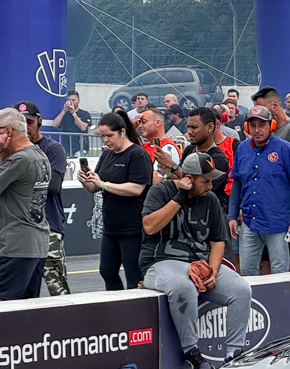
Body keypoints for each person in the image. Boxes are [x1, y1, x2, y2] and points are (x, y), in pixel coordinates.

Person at [141, 153, 251, 369]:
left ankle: (234, 352)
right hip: (161, 261)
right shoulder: (161, 191)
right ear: (189, 178)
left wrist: (213, 271)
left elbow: (218, 240)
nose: (210, 185)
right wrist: (180, 196)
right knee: (184, 286)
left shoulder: (210, 199)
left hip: (200, 262)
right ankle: (190, 350)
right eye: (205, 180)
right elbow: (149, 226)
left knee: (241, 289)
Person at [0, 108, 51, 302]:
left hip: (16, 244)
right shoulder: (39, 155)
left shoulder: (20, 159)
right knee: (23, 305)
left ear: (7, 131)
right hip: (36, 242)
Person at [228, 106, 290, 275]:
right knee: (247, 272)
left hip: (278, 222)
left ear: (271, 125)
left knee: (280, 273)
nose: (257, 130)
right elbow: (237, 183)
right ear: (247, 127)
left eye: (262, 125)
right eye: (253, 125)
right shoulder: (242, 148)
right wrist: (232, 216)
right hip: (249, 221)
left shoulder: (285, 148)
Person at [78, 110, 151, 290]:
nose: (106, 140)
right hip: (111, 226)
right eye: (103, 136)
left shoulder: (137, 154)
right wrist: (86, 181)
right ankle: (117, 302)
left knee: (134, 275)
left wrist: (104, 184)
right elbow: (94, 188)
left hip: (132, 226)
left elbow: (137, 188)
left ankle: (136, 305)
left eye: (109, 135)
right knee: (107, 271)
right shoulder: (107, 155)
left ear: (122, 132)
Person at [16, 101, 69, 295]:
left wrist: (21, 182)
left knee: (57, 289)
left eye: (29, 122)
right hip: (22, 228)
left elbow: (53, 186)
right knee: (24, 290)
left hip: (49, 226)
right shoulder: (12, 151)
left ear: (39, 121)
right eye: (19, 123)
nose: (25, 127)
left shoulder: (53, 149)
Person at [167, 107, 231, 214]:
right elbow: (180, 178)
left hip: (210, 213)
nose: (189, 132)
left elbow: (197, 188)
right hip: (188, 212)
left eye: (194, 127)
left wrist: (172, 165)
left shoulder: (218, 158)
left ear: (210, 127)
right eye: (188, 127)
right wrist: (166, 170)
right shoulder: (189, 149)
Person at [135, 108, 181, 184]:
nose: (139, 126)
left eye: (144, 122)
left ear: (157, 122)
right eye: (139, 122)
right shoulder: (144, 146)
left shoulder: (167, 147)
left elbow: (156, 179)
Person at [51, 91, 91, 156]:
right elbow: (54, 124)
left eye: (73, 100)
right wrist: (64, 110)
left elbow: (83, 127)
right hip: (66, 147)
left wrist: (74, 114)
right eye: (70, 100)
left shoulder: (85, 114)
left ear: (78, 101)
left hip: (80, 147)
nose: (71, 102)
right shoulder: (65, 114)